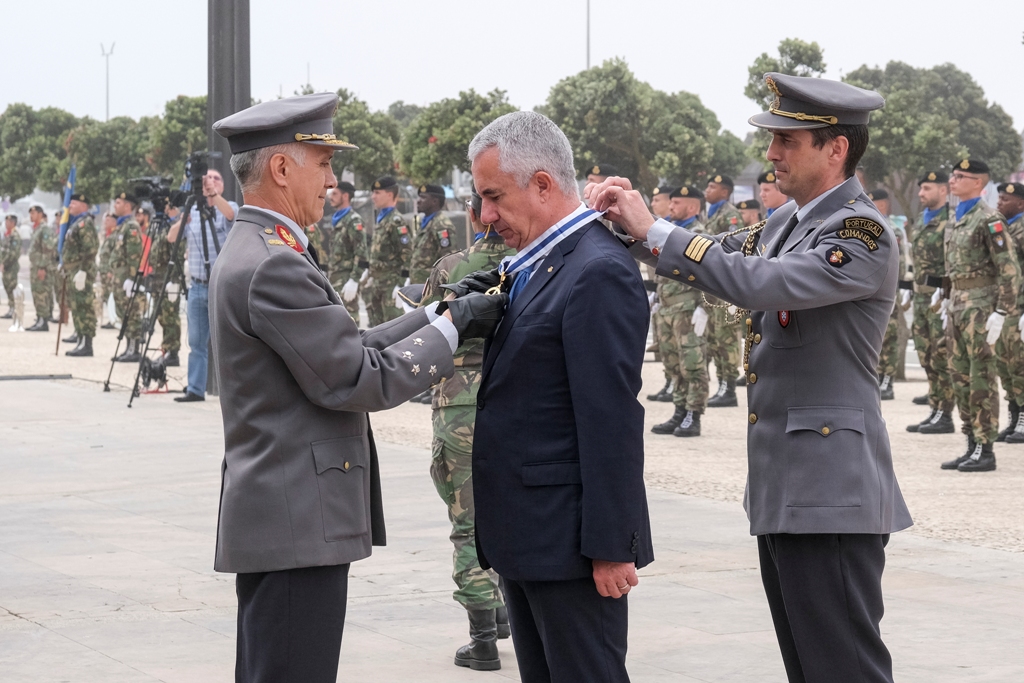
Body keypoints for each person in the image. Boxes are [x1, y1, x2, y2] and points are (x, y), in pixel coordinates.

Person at [589, 72, 912, 683]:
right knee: (808, 664)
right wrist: (618, 224)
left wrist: (652, 227)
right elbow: (709, 255)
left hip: (830, 494)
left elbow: (757, 282)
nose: (771, 154)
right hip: (789, 488)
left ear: (835, 148)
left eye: (787, 140)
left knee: (843, 667)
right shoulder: (786, 223)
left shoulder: (860, 233)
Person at [208, 92, 506, 683]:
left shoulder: (260, 249)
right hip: (296, 521)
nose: (332, 178)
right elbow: (356, 378)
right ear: (281, 167)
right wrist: (455, 331)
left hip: (283, 516)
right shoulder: (274, 263)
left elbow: (349, 343)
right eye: (322, 163)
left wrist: (440, 312)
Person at [460, 111, 653, 682]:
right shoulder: (537, 264)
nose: (485, 215)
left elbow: (611, 417)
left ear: (542, 184)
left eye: (494, 196)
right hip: (527, 535)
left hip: (570, 544)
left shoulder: (596, 271)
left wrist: (612, 545)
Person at [418, 190, 515, 670]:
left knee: (466, 523)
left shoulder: (452, 266)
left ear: (474, 215)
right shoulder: (531, 262)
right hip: (513, 401)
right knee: (508, 513)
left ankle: (482, 642)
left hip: (458, 404)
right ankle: (501, 612)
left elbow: (426, 329)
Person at [939, 159, 1020, 472]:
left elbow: (1009, 268)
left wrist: (1003, 311)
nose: (954, 181)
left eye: (961, 177)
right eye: (954, 175)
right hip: (958, 305)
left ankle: (986, 448)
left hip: (981, 307)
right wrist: (944, 295)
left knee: (981, 378)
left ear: (979, 184)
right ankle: (970, 443)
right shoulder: (956, 217)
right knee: (959, 375)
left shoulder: (990, 219)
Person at [166, 169, 238, 402]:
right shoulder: (194, 213)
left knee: (228, 341)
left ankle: (233, 391)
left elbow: (231, 216)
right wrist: (182, 219)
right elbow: (171, 237)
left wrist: (214, 195)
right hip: (197, 286)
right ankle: (195, 389)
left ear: (223, 186)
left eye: (216, 178)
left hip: (221, 286)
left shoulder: (229, 207)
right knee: (196, 341)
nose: (211, 181)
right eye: (207, 178)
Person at [651, 186, 710, 437]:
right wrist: (658, 297)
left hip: (688, 309)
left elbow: (711, 273)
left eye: (677, 202)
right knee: (673, 364)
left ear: (692, 207)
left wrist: (705, 308)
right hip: (668, 309)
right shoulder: (671, 232)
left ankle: (693, 414)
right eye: (671, 202)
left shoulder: (699, 234)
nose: (671, 206)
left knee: (693, 364)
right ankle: (679, 409)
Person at [907, 171, 955, 434]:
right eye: (921, 188)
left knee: (940, 355)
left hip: (941, 299)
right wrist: (909, 287)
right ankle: (935, 408)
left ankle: (945, 414)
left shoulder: (951, 221)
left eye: (927, 188)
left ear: (943, 190)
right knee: (926, 354)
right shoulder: (920, 221)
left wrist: (949, 292)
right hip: (922, 297)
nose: (921, 193)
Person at [703, 174, 745, 407]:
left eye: (712, 187)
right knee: (716, 338)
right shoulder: (712, 213)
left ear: (725, 192)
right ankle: (722, 384)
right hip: (712, 289)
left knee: (727, 338)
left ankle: (729, 386)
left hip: (725, 289)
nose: (707, 190)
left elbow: (733, 249)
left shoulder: (730, 214)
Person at [868, 188, 909, 400]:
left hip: (890, 288)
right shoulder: (864, 223)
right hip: (871, 289)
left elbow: (904, 260)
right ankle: (877, 376)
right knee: (875, 336)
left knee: (890, 336)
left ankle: (888, 379)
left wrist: (903, 287)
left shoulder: (894, 228)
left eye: (879, 203)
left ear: (885, 204)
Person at [992, 181, 1024, 443]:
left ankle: (1023, 416)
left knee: (1019, 364)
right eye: (999, 197)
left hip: (1019, 308)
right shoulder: (1003, 229)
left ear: (1021, 203)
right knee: (1004, 363)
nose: (1000, 202)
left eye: (1005, 199)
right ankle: (1014, 415)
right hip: (1004, 307)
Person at [365, 176, 411, 326]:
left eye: (377, 193)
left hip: (391, 284)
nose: (373, 197)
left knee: (392, 330)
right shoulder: (382, 219)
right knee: (375, 329)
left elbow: (407, 253)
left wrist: (401, 285)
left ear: (390, 194)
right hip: (378, 283)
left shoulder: (396, 221)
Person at [646, 185, 677, 403]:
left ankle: (690, 411)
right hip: (666, 298)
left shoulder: (677, 231)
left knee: (688, 356)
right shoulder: (663, 228)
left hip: (684, 303)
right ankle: (670, 383)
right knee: (668, 349)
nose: (653, 204)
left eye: (658, 200)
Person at [108, 192, 147, 362]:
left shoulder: (131, 226)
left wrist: (132, 279)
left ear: (127, 206)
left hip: (127, 280)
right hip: (120, 279)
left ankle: (134, 349)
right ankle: (128, 347)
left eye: (118, 202)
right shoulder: (122, 226)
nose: (115, 205)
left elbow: (134, 255)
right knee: (124, 314)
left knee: (132, 314)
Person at [59, 194, 99, 357]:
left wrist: (82, 270)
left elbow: (90, 249)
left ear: (84, 205)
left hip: (81, 272)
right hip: (73, 271)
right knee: (76, 306)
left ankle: (87, 343)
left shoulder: (85, 223)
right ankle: (81, 338)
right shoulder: (75, 223)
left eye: (74, 203)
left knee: (84, 306)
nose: (70, 206)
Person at [146, 202, 185, 366]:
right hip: (159, 278)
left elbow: (178, 255)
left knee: (170, 316)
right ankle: (166, 348)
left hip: (170, 278)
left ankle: (172, 351)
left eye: (168, 206)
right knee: (162, 316)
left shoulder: (177, 227)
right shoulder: (162, 226)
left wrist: (175, 281)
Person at [325, 182, 368, 320]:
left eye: (335, 193)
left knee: (350, 320)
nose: (331, 197)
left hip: (346, 279)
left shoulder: (353, 221)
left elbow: (362, 254)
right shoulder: (338, 219)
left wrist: (354, 280)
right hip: (335, 277)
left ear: (345, 196)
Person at [408, 184, 459, 283]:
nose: (418, 201)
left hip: (432, 287)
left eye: (423, 197)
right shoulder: (425, 222)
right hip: (420, 285)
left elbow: (449, 261)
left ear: (435, 201)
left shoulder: (442, 226)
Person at [26, 204, 57, 331]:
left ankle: (44, 321)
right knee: (36, 294)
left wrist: (42, 267)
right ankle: (39, 318)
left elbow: (48, 249)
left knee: (42, 293)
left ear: (40, 214)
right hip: (36, 266)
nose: (31, 216)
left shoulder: (45, 229)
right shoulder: (37, 228)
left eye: (33, 213)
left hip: (42, 267)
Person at [97, 212, 119, 329]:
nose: (106, 223)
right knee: (107, 296)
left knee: (112, 296)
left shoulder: (116, 236)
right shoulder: (108, 235)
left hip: (110, 272)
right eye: (105, 220)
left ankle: (115, 318)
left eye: (109, 220)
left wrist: (112, 271)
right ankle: (112, 318)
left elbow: (115, 255)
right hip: (104, 271)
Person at [1, 214, 21, 319]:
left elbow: (14, 253)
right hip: (6, 266)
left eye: (8, 222)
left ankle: (14, 308)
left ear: (13, 223)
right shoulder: (7, 234)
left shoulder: (15, 235)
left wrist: (5, 263)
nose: (6, 223)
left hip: (11, 267)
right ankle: (11, 308)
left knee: (12, 288)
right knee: (7, 287)